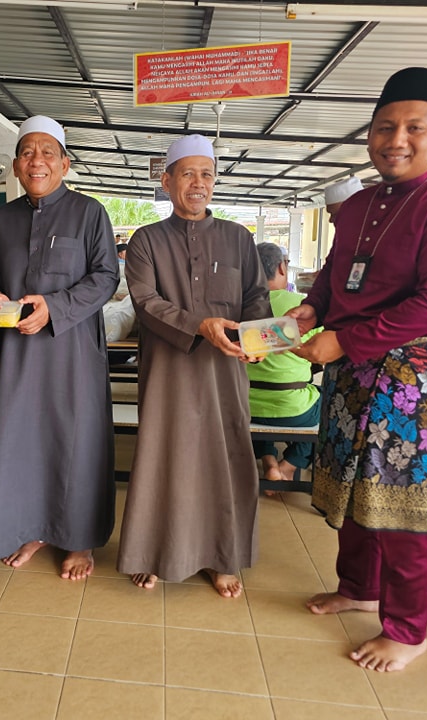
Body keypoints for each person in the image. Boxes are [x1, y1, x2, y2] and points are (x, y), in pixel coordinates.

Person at [288, 67, 427, 672]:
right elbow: (332, 274)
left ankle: (407, 630)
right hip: (352, 372)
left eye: (414, 128)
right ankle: (358, 587)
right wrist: (310, 310)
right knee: (352, 489)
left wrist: (342, 340)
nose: (396, 140)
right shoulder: (355, 205)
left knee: (403, 505)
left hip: (412, 382)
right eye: (384, 128)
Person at [116, 134, 271, 596]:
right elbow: (145, 303)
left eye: (206, 174)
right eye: (187, 174)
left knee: (223, 460)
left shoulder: (239, 238)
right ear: (167, 182)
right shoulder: (145, 240)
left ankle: (223, 557)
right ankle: (156, 553)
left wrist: (260, 336)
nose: (198, 183)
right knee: (166, 460)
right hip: (168, 371)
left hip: (225, 374)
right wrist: (200, 325)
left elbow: (256, 298)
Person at [0, 115, 119, 580]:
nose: (37, 160)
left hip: (73, 350)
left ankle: (78, 540)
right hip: (17, 354)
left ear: (65, 164)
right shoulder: (0, 220)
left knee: (75, 440)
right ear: (16, 166)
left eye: (47, 152)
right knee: (22, 440)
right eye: (28, 152)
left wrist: (54, 307)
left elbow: (106, 277)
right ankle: (34, 528)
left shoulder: (89, 213)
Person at [248, 242, 321, 484]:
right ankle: (290, 464)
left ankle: (268, 460)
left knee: (262, 404)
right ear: (282, 267)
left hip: (244, 405)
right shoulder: (302, 307)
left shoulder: (238, 305)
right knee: (327, 403)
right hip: (292, 409)